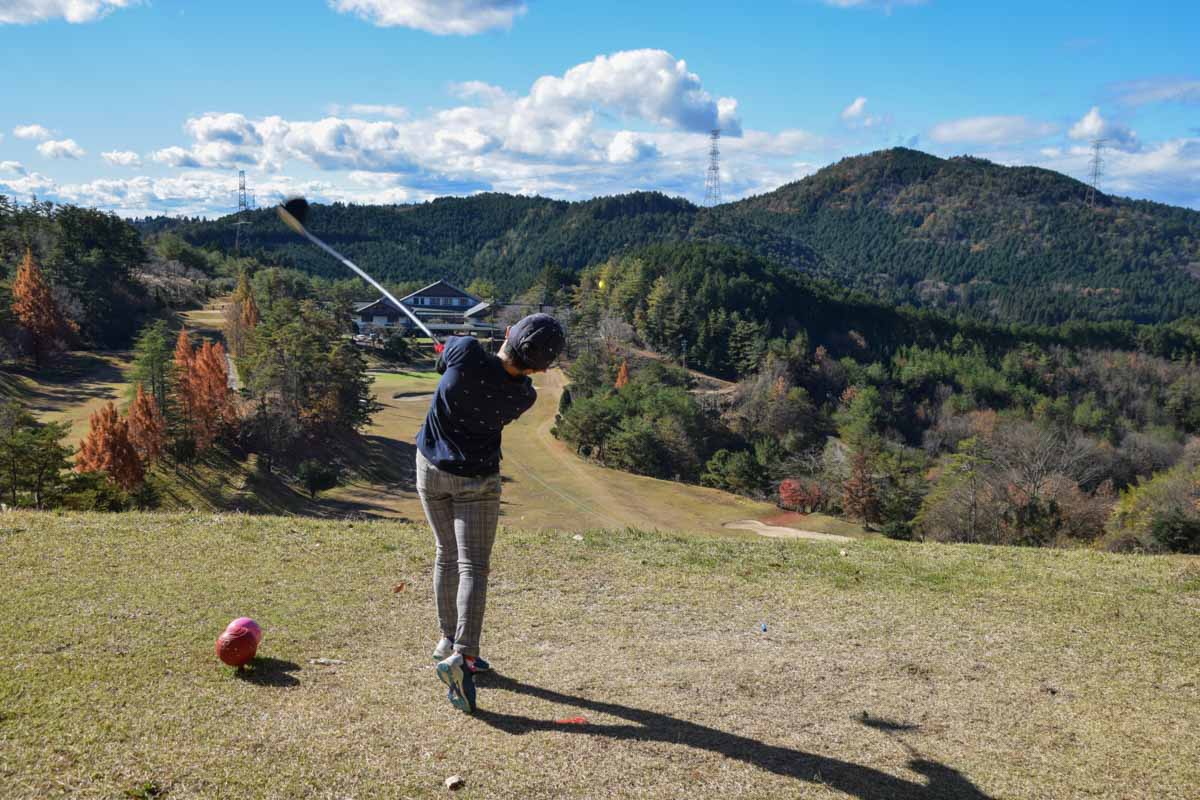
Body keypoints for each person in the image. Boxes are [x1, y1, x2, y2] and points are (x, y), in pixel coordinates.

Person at [416, 313, 566, 714]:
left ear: (506, 334)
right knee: (473, 568)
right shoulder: (524, 396)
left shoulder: (464, 351)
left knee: (445, 554)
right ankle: (462, 656)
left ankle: (447, 641)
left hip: (431, 471)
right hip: (478, 481)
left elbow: (443, 362)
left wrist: (445, 350)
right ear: (540, 367)